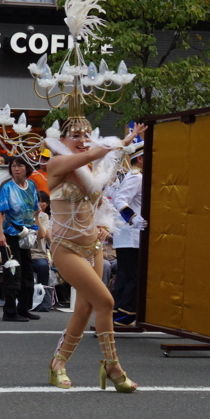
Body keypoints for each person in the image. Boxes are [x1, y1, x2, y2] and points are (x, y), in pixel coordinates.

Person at [44, 119, 143, 392]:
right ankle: (112, 367)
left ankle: (58, 363)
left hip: (93, 248)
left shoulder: (90, 168)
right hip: (67, 248)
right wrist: (119, 144)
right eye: (75, 135)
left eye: (87, 134)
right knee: (106, 301)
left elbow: (102, 203)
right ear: (60, 140)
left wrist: (102, 224)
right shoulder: (57, 165)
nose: (83, 139)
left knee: (85, 308)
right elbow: (89, 154)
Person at [0, 156, 40, 322]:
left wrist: (38, 227)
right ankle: (9, 311)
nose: (16, 169)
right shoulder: (7, 187)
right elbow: (0, 212)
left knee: (28, 272)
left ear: (26, 168)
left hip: (27, 233)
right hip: (10, 233)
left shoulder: (32, 186)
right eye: (13, 166)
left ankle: (23, 308)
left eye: (19, 165)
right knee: (13, 271)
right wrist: (0, 234)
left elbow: (36, 209)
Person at [111, 145, 146, 326]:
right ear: (140, 158)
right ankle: (125, 315)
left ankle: (119, 314)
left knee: (126, 274)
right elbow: (120, 199)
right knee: (132, 275)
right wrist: (132, 218)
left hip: (130, 233)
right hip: (132, 232)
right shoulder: (136, 176)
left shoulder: (135, 175)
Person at [30, 190, 52, 308]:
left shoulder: (44, 216)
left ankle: (43, 299)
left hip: (39, 254)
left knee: (43, 266)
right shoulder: (21, 213)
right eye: (36, 201)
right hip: (23, 252)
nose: (39, 203)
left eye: (42, 201)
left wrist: (37, 217)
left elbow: (41, 235)